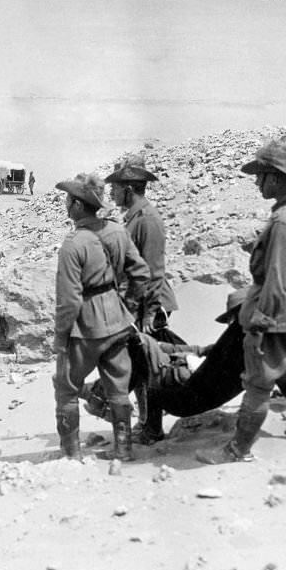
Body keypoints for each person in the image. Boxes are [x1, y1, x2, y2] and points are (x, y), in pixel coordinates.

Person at [198, 138, 286, 465]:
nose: (257, 182)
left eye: (261, 176)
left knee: (258, 381)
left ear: (276, 177)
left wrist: (259, 322)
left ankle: (237, 449)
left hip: (280, 310)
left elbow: (276, 278)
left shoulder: (284, 222)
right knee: (280, 367)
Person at [52, 173, 151, 461]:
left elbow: (69, 300)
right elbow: (141, 274)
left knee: (66, 388)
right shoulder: (117, 231)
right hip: (117, 320)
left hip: (86, 326)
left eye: (69, 201)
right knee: (118, 389)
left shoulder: (73, 244)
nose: (66, 205)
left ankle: (71, 454)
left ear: (79, 206)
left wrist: (60, 337)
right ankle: (123, 449)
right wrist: (129, 307)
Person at [81, 288, 250, 441]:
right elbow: (202, 350)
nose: (229, 323)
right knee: (143, 350)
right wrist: (163, 346)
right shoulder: (241, 345)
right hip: (195, 385)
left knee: (138, 345)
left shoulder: (233, 342)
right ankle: (104, 397)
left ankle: (101, 396)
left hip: (186, 388)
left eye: (231, 318)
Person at [105, 156, 179, 432]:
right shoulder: (134, 218)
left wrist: (149, 311)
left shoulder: (147, 219)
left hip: (150, 303)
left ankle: (152, 428)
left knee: (149, 367)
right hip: (136, 302)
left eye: (115, 187)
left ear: (129, 189)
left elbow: (154, 269)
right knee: (139, 364)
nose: (111, 193)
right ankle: (147, 422)